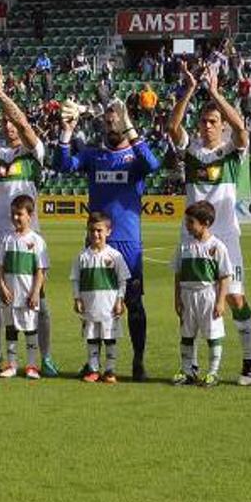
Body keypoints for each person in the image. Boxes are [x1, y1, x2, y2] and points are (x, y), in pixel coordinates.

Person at [56, 95, 161, 381]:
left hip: (128, 245)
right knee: (93, 304)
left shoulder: (135, 159)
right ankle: (93, 364)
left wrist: (130, 128)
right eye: (108, 119)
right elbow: (62, 166)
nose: (111, 122)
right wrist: (66, 131)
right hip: (96, 243)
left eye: (118, 119)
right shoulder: (93, 155)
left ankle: (138, 361)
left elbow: (153, 164)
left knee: (135, 304)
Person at [167, 65, 251, 386]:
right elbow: (172, 126)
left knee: (235, 299)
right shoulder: (191, 152)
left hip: (227, 239)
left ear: (221, 127)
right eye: (204, 121)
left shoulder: (232, 152)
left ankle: (250, 361)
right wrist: (191, 89)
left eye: (214, 122)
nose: (208, 126)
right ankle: (190, 368)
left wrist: (216, 93)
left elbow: (242, 129)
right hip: (191, 239)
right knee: (189, 304)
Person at [0, 64, 58, 375]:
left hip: (28, 236)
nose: (10, 127)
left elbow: (22, 120)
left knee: (40, 301)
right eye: (5, 123)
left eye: (13, 123)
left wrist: (2, 94)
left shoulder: (35, 153)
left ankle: (43, 357)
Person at [172, 201, 232, 388]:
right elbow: (178, 274)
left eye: (191, 222)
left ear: (205, 223)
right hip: (187, 295)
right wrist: (177, 298)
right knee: (187, 333)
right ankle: (188, 371)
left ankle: (213, 373)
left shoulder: (217, 247)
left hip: (207, 295)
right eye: (186, 222)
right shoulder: (184, 246)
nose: (187, 226)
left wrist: (221, 302)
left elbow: (224, 277)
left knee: (212, 334)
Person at [70, 212, 129, 384]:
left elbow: (122, 280)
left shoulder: (115, 256)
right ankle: (94, 369)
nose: (96, 234)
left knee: (110, 339)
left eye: (99, 230)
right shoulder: (82, 257)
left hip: (109, 307)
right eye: (92, 230)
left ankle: (110, 370)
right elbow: (75, 280)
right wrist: (77, 299)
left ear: (108, 232)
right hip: (90, 306)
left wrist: (120, 300)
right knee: (92, 339)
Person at [0, 195, 50, 380]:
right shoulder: (6, 239)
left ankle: (32, 366)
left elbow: (40, 270)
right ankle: (11, 365)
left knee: (30, 329)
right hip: (10, 294)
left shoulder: (36, 240)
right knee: (10, 329)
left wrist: (35, 292)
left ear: (30, 215)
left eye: (19, 214)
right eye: (13, 214)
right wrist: (2, 286)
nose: (16, 218)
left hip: (28, 295)